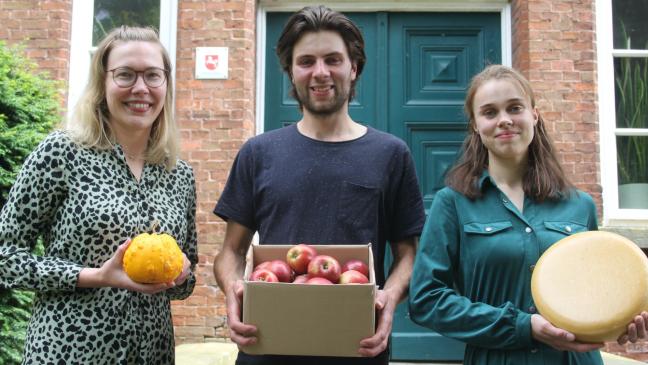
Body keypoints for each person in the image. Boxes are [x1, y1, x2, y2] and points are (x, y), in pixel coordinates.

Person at [213, 5, 425, 365]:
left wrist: (389, 298)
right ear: (291, 72)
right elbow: (231, 253)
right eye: (306, 61)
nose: (320, 72)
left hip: (356, 347)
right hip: (268, 345)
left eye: (333, 59)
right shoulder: (258, 152)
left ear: (353, 67)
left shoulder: (391, 154)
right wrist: (234, 292)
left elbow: (408, 254)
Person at [408, 64, 648, 365]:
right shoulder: (452, 204)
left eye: (515, 108)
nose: (505, 120)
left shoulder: (579, 205)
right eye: (490, 112)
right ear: (475, 125)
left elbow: (595, 292)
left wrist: (623, 320)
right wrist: (522, 326)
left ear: (534, 115)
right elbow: (426, 301)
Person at [0, 26, 197, 364]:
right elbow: (5, 257)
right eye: (125, 75)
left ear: (166, 84)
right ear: (102, 83)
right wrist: (92, 277)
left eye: (152, 75)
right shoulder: (62, 152)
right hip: (69, 352)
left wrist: (181, 273)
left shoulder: (179, 174)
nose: (140, 88)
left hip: (153, 354)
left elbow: (185, 279)